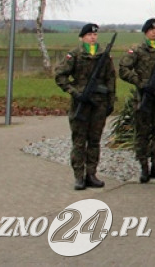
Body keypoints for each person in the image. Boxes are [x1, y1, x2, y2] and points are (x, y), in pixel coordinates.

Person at [54, 23, 117, 191]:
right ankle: (79, 176)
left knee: (94, 140)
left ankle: (91, 174)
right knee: (79, 141)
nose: (92, 37)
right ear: (82, 37)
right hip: (81, 104)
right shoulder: (75, 54)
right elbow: (60, 75)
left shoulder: (104, 55)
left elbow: (111, 79)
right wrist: (74, 92)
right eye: (89, 35)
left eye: (95, 35)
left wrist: (110, 101)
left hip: (99, 103)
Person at [119, 18, 155, 183]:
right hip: (144, 97)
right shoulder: (137, 51)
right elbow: (123, 69)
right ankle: (144, 166)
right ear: (146, 32)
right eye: (151, 30)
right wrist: (139, 82)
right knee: (142, 132)